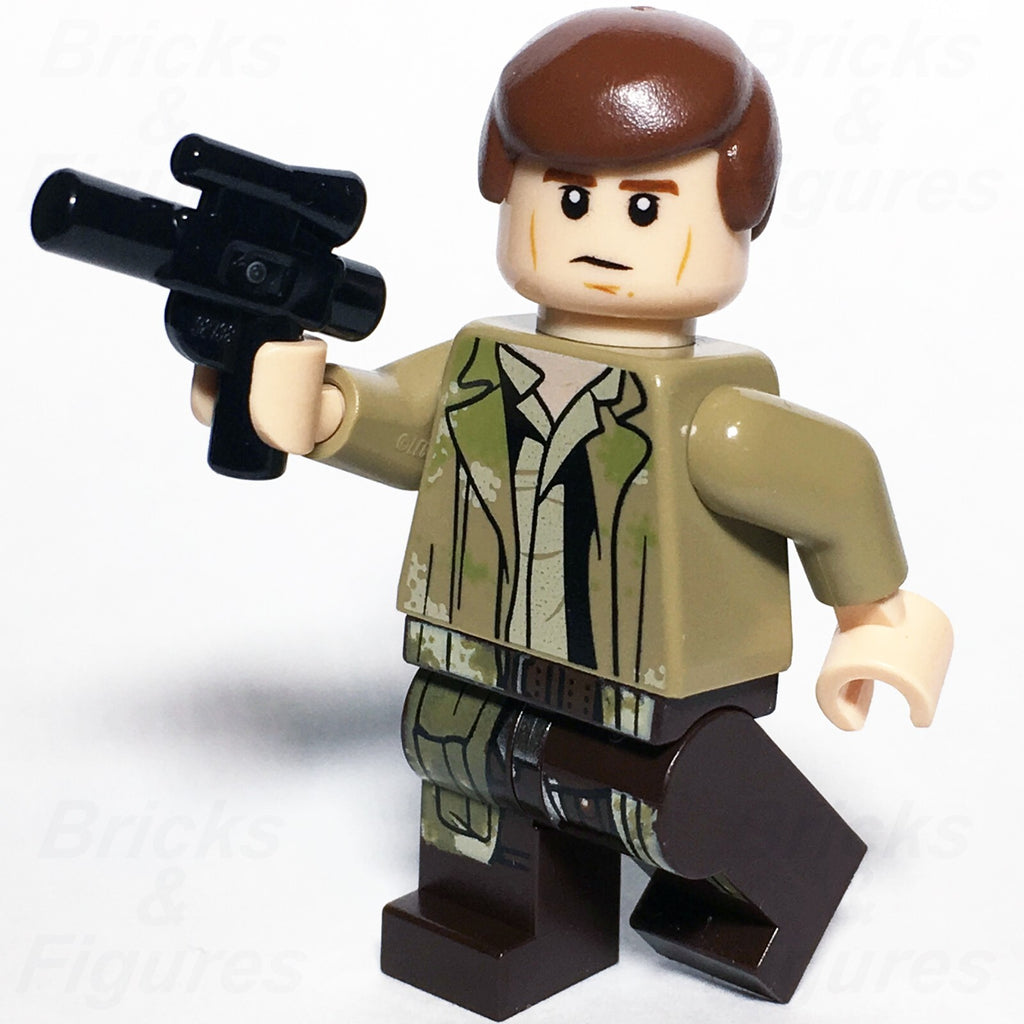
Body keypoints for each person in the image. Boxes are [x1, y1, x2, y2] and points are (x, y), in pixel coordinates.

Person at [193, 8, 952, 1019]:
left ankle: (774, 882)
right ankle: (496, 912)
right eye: (570, 197)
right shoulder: (481, 360)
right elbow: (401, 420)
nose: (598, 234)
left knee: (668, 792)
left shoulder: (716, 414)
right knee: (458, 755)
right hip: (473, 647)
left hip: (652, 681)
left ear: (738, 212)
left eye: (644, 209)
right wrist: (312, 405)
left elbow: (833, 478)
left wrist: (877, 615)